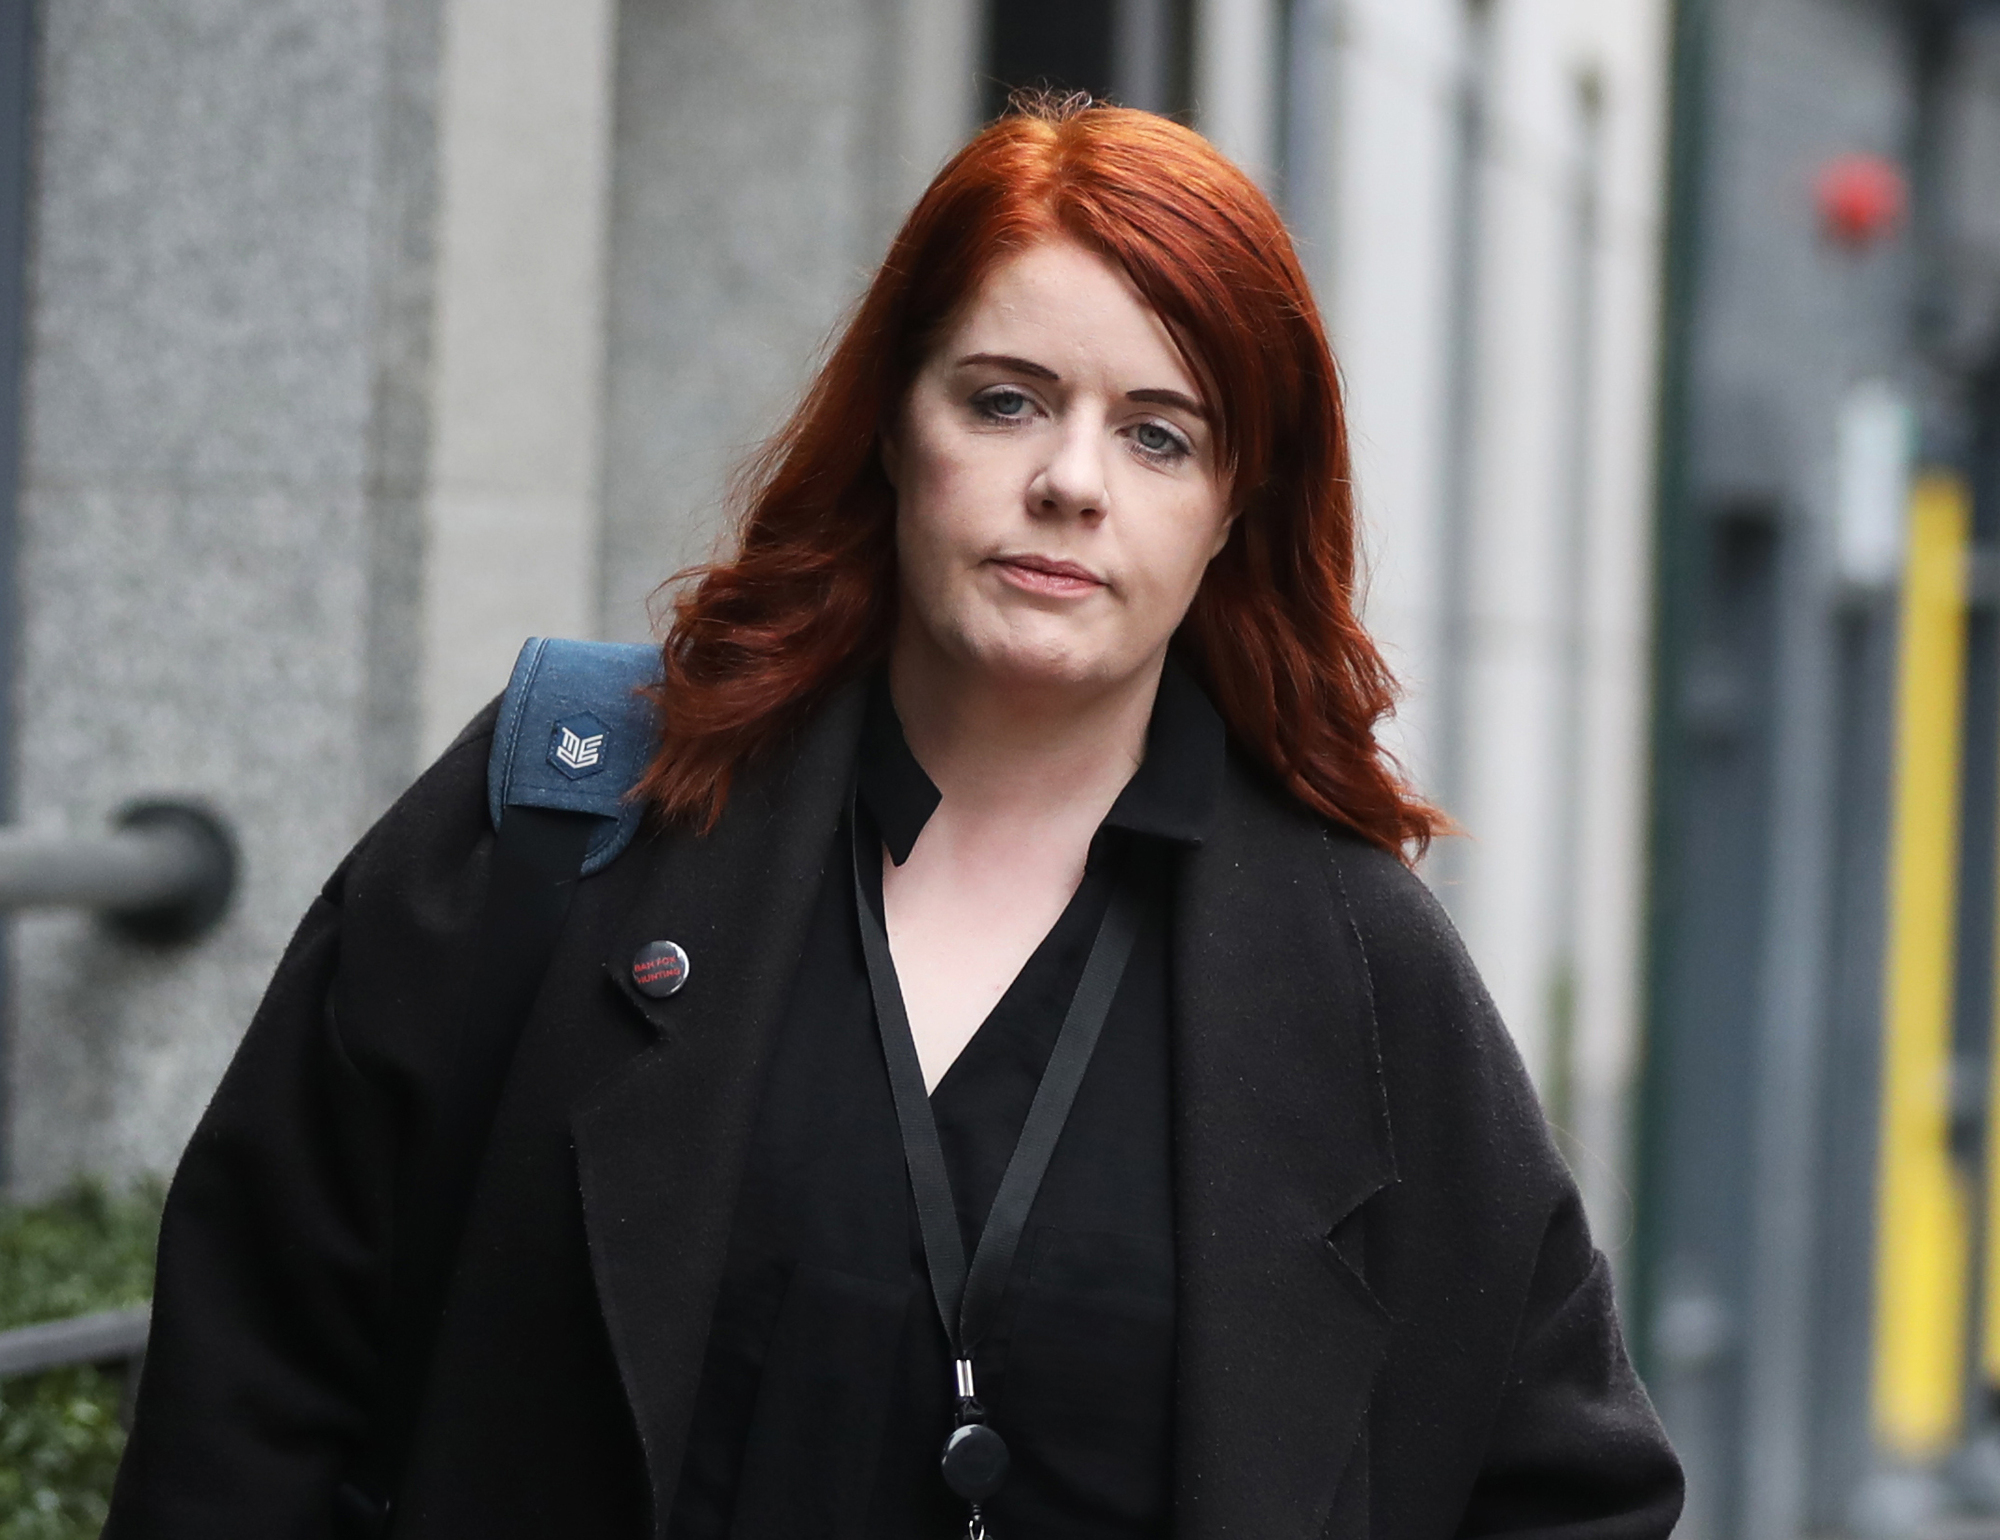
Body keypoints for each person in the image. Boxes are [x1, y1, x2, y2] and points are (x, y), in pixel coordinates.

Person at [104, 97, 1681, 1540]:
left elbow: (1571, 1493)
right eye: (1005, 401)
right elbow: (250, 1386)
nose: (1071, 481)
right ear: (891, 425)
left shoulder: (1361, 976)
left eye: (1159, 432)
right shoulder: (567, 820)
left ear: (1234, 507)